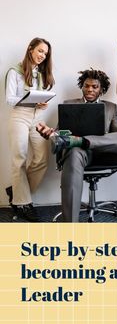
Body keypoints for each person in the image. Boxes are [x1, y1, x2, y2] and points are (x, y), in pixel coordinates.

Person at [36, 68, 117, 222]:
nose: (90, 89)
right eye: (86, 86)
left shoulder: (110, 107)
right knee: (73, 152)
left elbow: (116, 134)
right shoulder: (69, 105)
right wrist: (50, 133)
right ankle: (70, 227)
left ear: (101, 89)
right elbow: (60, 134)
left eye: (94, 87)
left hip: (105, 152)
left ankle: (82, 140)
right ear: (82, 86)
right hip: (80, 154)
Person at [5, 37, 55, 222]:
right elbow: (9, 99)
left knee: (42, 159)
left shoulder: (41, 74)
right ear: (30, 49)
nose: (43, 55)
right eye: (40, 51)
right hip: (19, 116)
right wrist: (30, 100)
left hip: (37, 118)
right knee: (20, 159)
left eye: (46, 53)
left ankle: (15, 192)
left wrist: (41, 104)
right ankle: (24, 203)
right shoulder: (15, 71)